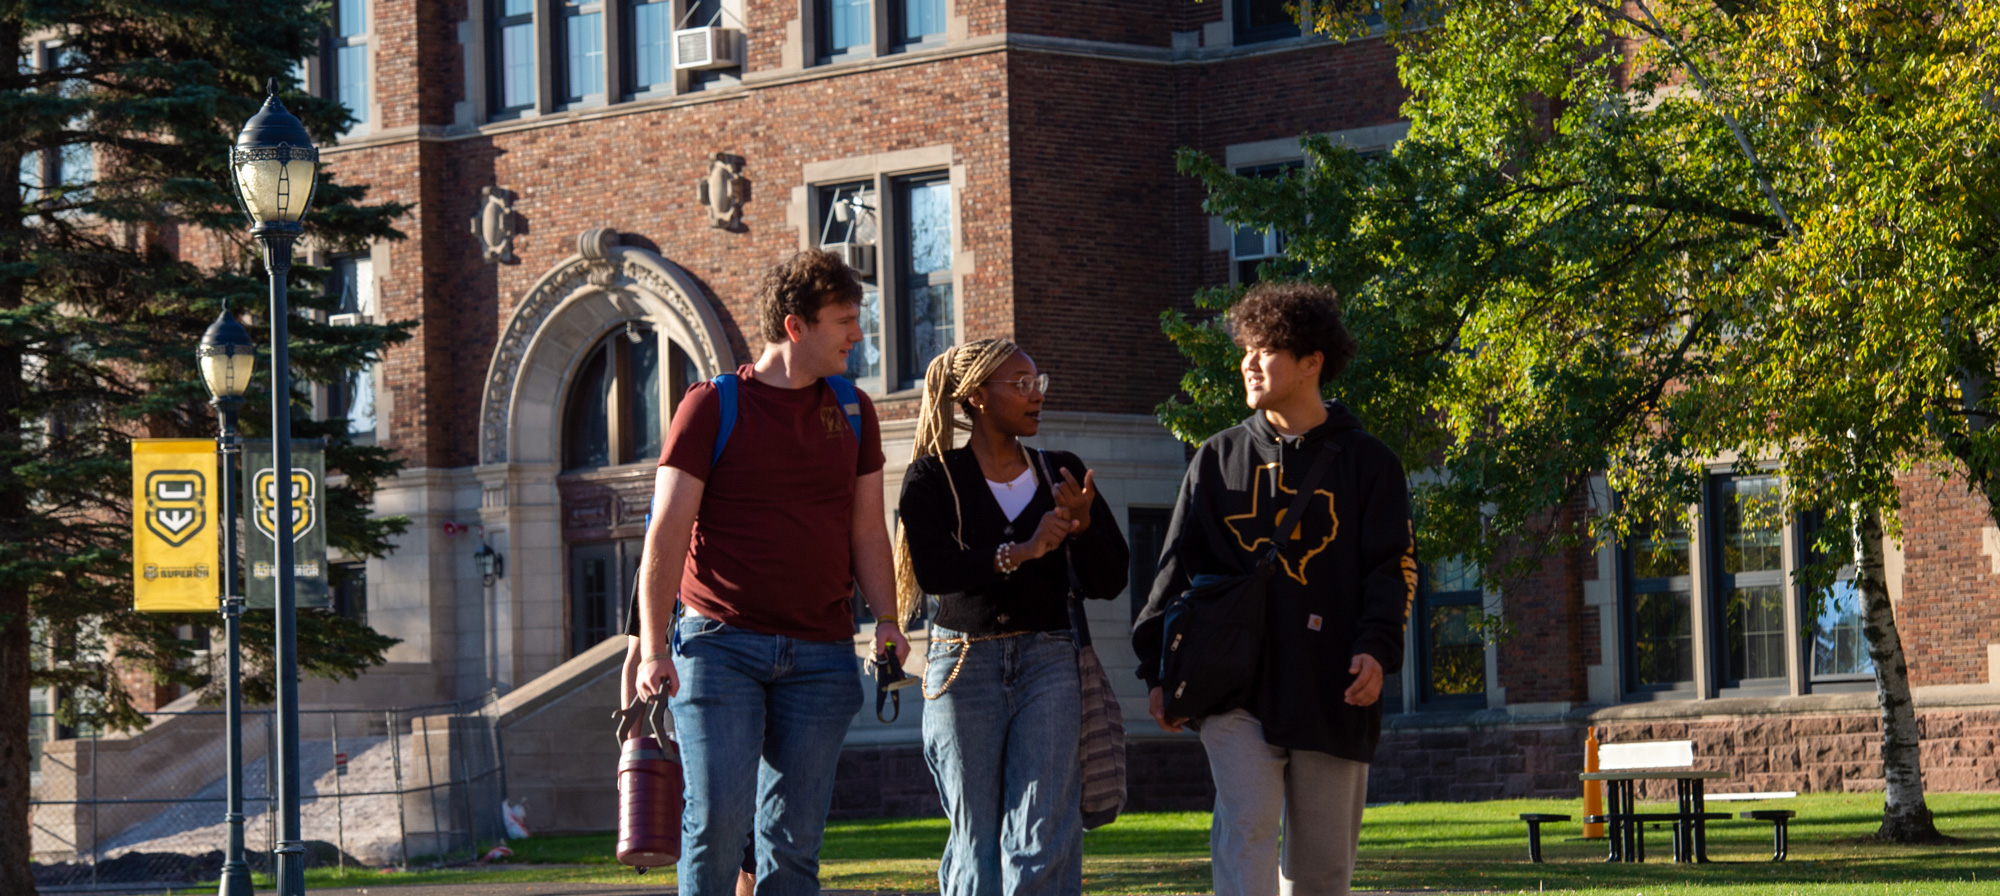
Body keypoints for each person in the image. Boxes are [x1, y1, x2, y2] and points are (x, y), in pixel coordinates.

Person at [632, 248, 911, 896]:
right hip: (720, 646)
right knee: (717, 825)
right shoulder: (711, 406)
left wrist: (890, 619)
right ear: (796, 326)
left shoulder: (852, 410)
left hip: (821, 655)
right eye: (844, 320)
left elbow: (868, 528)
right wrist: (651, 648)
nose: (858, 334)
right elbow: (667, 532)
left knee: (793, 847)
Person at [1131, 282, 1415, 896]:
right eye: (1246, 349)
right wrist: (1155, 670)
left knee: (1320, 868)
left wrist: (1377, 647)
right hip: (1234, 684)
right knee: (1247, 835)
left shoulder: (1370, 465)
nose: (1249, 363)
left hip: (1333, 684)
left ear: (1312, 361)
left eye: (1266, 350)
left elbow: (1392, 568)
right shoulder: (1216, 459)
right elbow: (1175, 569)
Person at [893, 338, 1128, 896]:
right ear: (977, 397)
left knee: (1042, 831)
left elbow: (1111, 580)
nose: (1036, 396)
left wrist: (1085, 526)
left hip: (1049, 659)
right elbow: (935, 573)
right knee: (975, 842)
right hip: (961, 666)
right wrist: (1019, 552)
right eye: (1020, 385)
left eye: (1038, 383)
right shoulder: (934, 478)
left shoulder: (1061, 472)